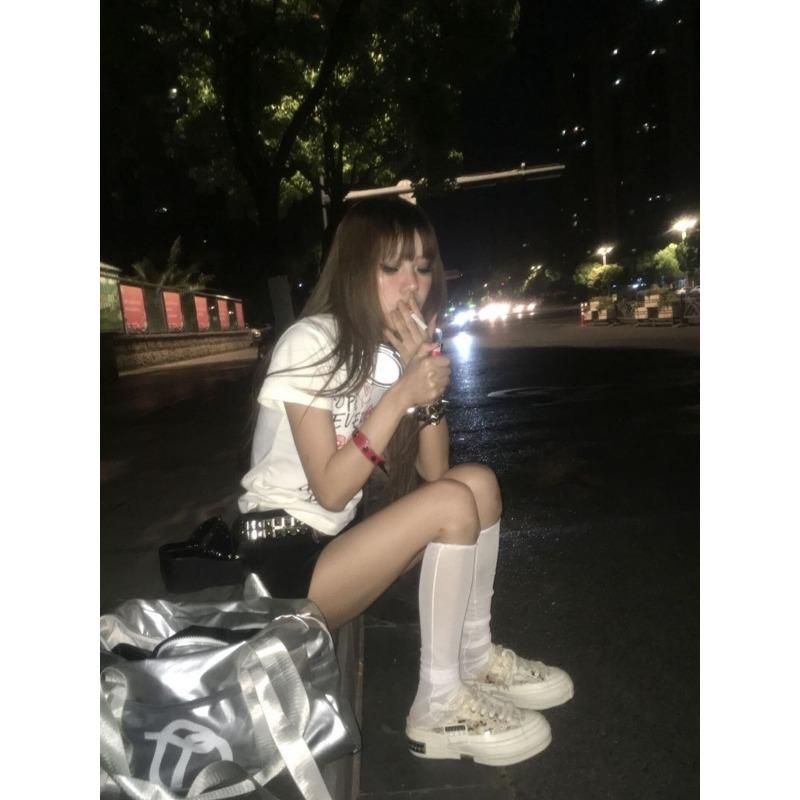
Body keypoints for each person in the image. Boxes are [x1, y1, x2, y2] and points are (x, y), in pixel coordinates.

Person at [238, 197, 573, 767]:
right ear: (353, 270)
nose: (412, 284)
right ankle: (437, 706)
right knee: (450, 501)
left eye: (421, 267)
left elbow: (437, 475)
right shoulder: (309, 342)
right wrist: (399, 395)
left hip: (334, 547)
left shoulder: (381, 353)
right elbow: (331, 490)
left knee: (477, 484)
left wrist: (424, 388)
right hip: (281, 566)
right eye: (391, 267)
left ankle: (474, 657)